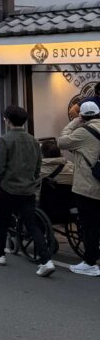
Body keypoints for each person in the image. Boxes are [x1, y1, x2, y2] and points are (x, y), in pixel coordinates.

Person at [0, 105, 55, 277]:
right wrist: (31, 179)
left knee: (2, 222)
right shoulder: (33, 140)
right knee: (31, 224)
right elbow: (38, 164)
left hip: (8, 188)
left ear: (8, 120)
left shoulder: (4, 140)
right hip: (28, 189)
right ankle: (46, 260)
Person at [58, 100, 100, 277]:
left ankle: (90, 263)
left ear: (82, 115)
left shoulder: (83, 132)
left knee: (90, 226)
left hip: (88, 187)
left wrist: (74, 122)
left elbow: (62, 142)